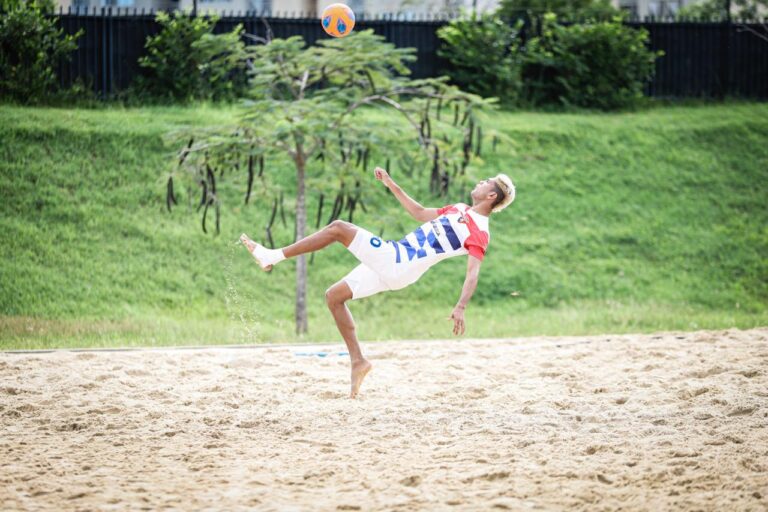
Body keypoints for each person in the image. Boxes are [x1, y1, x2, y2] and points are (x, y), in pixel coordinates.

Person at [240, 167, 515, 398]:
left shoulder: (479, 231)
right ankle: (359, 362)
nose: (479, 182)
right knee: (334, 296)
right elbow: (419, 212)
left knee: (338, 228)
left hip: (399, 262)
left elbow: (473, 272)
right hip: (395, 262)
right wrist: (390, 184)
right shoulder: (458, 209)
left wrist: (461, 306)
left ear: (491, 195)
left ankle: (271, 256)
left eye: (485, 182)